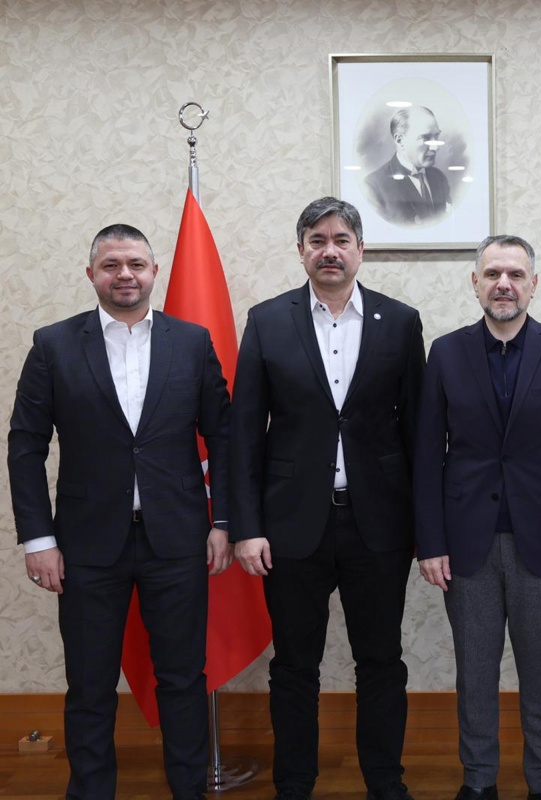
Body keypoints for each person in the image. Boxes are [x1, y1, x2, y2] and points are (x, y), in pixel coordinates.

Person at [8, 224, 232, 799]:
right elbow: (26, 445)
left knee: (182, 679)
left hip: (177, 540)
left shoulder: (192, 342)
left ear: (154, 272)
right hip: (84, 546)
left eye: (135, 264)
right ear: (92, 275)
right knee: (89, 685)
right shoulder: (54, 344)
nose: (124, 274)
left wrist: (224, 521)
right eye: (111, 265)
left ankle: (188, 789)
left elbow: (224, 438)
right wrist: (39, 540)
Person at [229, 197, 425, 800]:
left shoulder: (401, 321)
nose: (330, 251)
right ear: (301, 252)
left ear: (361, 249)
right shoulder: (267, 321)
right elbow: (245, 433)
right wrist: (247, 526)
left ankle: (385, 781)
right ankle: (294, 783)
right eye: (318, 240)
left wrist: (425, 530)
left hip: (379, 525)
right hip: (290, 526)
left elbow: (418, 433)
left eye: (342, 240)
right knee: (294, 666)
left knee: (381, 662)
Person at [413, 234, 541, 800]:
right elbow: (427, 454)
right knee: (475, 675)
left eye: (516, 274)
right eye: (493, 273)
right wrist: (430, 542)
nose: (504, 284)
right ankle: (478, 782)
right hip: (465, 544)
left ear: (533, 284)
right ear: (475, 283)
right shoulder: (446, 352)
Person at [364, 105, 451, 226]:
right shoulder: (374, 186)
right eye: (425, 138)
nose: (435, 147)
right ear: (400, 140)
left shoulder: (439, 178)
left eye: (436, 136)